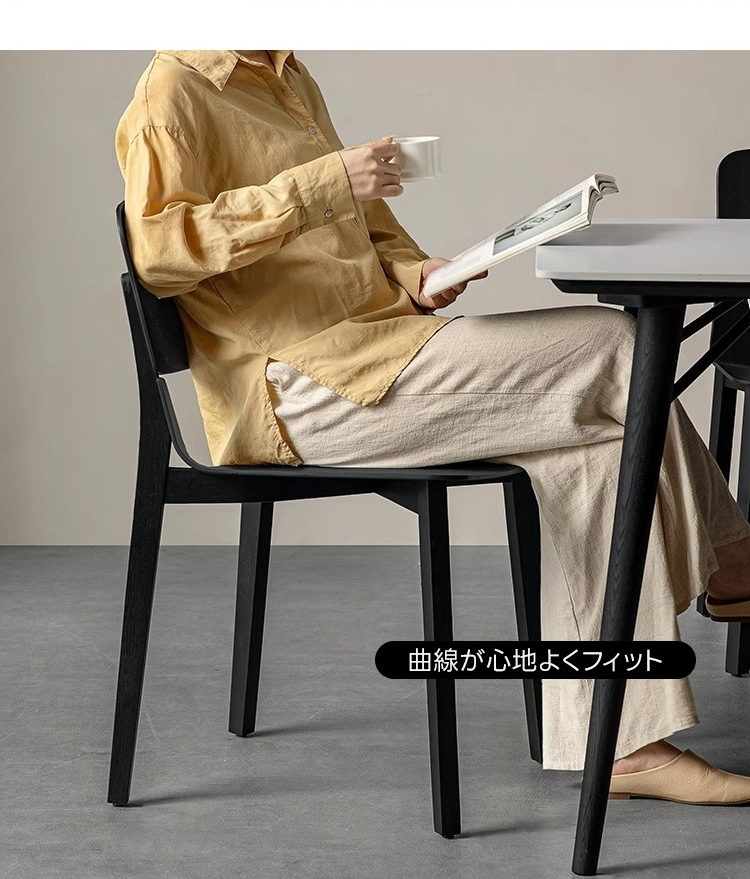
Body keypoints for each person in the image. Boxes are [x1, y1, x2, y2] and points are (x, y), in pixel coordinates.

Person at [116, 50, 750, 802]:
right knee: (620, 348)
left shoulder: (288, 76)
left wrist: (414, 272)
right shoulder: (173, 90)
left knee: (600, 446)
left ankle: (624, 748)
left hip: (383, 347)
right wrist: (321, 183)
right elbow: (160, 253)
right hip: (299, 388)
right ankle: (735, 564)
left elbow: (358, 228)